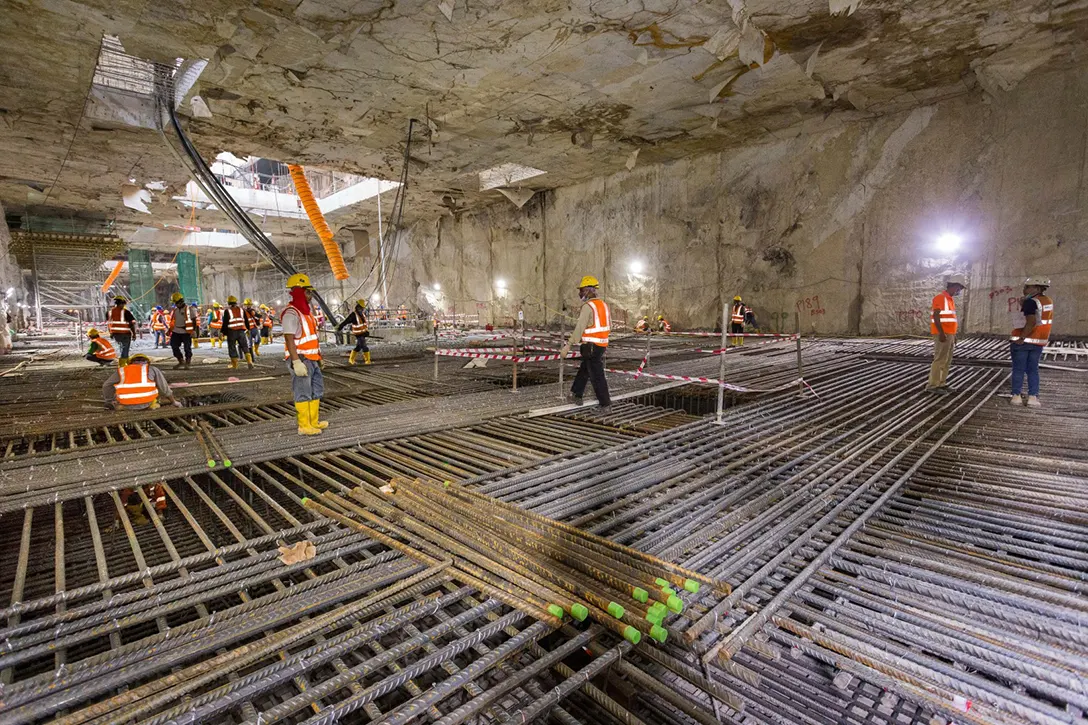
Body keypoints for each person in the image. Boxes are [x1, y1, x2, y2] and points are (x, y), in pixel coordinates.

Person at [281, 273, 327, 435]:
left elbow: (312, 337)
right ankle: (304, 426)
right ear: (299, 291)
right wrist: (295, 362)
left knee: (316, 389)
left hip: (312, 359)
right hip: (301, 358)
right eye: (308, 292)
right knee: (303, 390)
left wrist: (319, 358)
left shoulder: (306, 313)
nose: (310, 296)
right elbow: (288, 338)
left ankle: (313, 422)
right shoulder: (291, 313)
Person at [559, 275, 611, 413]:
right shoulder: (603, 305)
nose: (580, 293)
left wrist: (568, 345)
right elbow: (609, 326)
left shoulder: (588, 306)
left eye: (581, 290)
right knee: (586, 368)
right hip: (601, 345)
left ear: (588, 290)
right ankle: (576, 394)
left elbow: (580, 328)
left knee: (596, 374)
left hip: (590, 345)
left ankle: (605, 404)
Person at [1010, 277, 1053, 407]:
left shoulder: (1031, 302)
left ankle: (1016, 396)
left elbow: (1031, 321)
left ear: (1037, 288)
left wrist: (1021, 338)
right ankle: (1033, 397)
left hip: (1024, 342)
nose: (1025, 289)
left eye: (1027, 287)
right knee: (1033, 370)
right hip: (1039, 342)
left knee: (1018, 369)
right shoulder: (1047, 301)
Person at [927, 274, 966, 393]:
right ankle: (933, 385)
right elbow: (936, 316)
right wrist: (941, 333)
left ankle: (941, 383)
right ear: (953, 286)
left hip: (949, 334)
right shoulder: (940, 298)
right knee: (939, 359)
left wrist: (953, 335)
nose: (959, 291)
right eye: (959, 288)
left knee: (946, 360)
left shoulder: (949, 300)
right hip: (943, 334)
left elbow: (950, 319)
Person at [102, 353, 180, 410]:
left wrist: (109, 400)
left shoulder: (122, 370)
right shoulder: (152, 369)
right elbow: (164, 388)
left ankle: (118, 406)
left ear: (130, 363)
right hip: (146, 403)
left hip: (125, 404)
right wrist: (174, 402)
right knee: (155, 398)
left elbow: (106, 385)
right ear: (148, 362)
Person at [221, 295, 254, 370]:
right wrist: (248, 329)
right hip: (241, 331)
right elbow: (246, 320)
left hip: (232, 332)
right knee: (244, 346)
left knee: (232, 347)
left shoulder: (227, 311)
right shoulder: (242, 310)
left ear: (229, 303)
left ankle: (235, 365)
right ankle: (249, 362)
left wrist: (223, 332)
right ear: (236, 302)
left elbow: (225, 322)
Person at [336, 299, 371, 365]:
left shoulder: (362, 315)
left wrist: (366, 332)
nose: (362, 309)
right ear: (358, 307)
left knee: (358, 347)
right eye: (362, 308)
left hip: (363, 334)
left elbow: (364, 325)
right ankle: (367, 361)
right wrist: (340, 327)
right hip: (358, 334)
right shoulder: (353, 315)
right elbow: (346, 321)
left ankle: (351, 360)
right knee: (364, 347)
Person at [168, 293, 198, 369]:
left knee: (187, 348)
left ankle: (188, 362)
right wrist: (169, 330)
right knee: (174, 345)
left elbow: (194, 321)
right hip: (176, 331)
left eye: (176, 303)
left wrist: (194, 331)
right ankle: (181, 361)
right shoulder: (175, 310)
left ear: (180, 302)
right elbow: (173, 321)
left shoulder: (190, 309)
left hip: (186, 332)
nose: (175, 304)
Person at [106, 295, 136, 365]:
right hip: (125, 333)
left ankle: (126, 361)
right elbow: (132, 323)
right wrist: (134, 334)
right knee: (125, 348)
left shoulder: (109, 312)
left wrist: (110, 333)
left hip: (115, 334)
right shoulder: (126, 312)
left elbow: (109, 323)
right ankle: (122, 363)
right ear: (122, 303)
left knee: (122, 347)